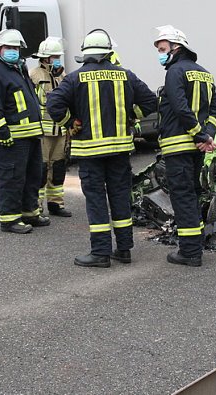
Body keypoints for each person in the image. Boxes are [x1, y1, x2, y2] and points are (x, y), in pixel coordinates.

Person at [46, 29, 156, 268]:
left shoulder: (75, 78)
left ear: (86, 55)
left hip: (90, 152)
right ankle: (124, 249)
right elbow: (150, 101)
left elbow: (53, 104)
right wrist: (130, 117)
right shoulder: (126, 76)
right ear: (108, 53)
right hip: (119, 150)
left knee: (96, 201)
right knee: (120, 197)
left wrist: (69, 123)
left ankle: (100, 253)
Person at [154, 25, 216, 267]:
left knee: (182, 197)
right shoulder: (205, 73)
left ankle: (190, 252)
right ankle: (194, 246)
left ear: (176, 47)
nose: (160, 54)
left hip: (178, 145)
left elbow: (180, 107)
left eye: (163, 49)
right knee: (192, 194)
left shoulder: (174, 72)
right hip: (197, 148)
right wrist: (208, 135)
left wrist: (199, 135)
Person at [0, 29, 50, 234]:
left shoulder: (17, 70)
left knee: (32, 175)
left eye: (16, 48)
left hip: (29, 135)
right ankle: (9, 219)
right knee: (12, 178)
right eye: (9, 48)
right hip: (11, 138)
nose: (13, 51)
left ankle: (29, 212)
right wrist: (3, 132)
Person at [28, 36, 73, 218]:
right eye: (54, 56)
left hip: (61, 130)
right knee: (41, 169)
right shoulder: (34, 75)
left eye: (58, 56)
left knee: (59, 167)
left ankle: (56, 203)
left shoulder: (63, 75)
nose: (57, 60)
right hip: (43, 131)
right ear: (45, 58)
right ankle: (36, 206)